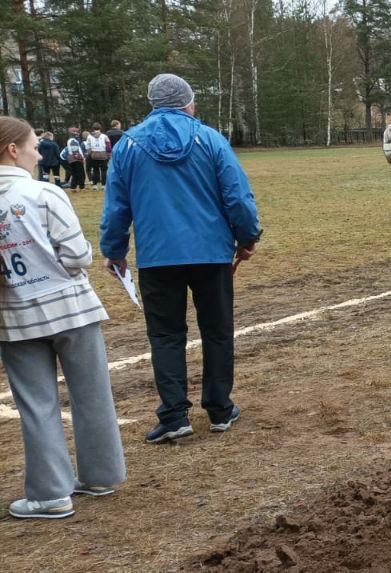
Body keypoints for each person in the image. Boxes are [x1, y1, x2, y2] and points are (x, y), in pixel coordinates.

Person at [99, 73, 262, 445]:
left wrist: (114, 250)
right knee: (217, 331)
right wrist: (248, 237)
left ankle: (174, 415)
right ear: (188, 102)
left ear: (153, 104)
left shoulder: (127, 145)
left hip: (158, 257)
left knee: (166, 336)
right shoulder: (211, 140)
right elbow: (237, 196)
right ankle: (219, 408)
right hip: (210, 253)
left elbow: (116, 207)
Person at [0, 116, 126, 519]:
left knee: (36, 405)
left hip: (14, 318)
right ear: (12, 150)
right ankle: (100, 475)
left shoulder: (41, 189)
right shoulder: (45, 194)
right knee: (92, 393)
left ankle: (51, 493)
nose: (40, 153)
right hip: (71, 308)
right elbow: (76, 256)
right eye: (34, 145)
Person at [84, 123, 110, 192]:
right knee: (104, 170)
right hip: (103, 155)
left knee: (95, 170)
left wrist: (90, 154)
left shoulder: (89, 137)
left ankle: (95, 186)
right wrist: (108, 154)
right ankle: (104, 185)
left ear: (93, 129)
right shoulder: (104, 136)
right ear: (100, 128)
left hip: (94, 155)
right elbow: (108, 146)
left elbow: (88, 147)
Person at [61, 127, 85, 191]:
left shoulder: (71, 140)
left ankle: (73, 187)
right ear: (73, 132)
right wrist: (80, 158)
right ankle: (82, 187)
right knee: (80, 173)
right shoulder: (73, 140)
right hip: (76, 159)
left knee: (75, 173)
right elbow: (75, 151)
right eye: (76, 132)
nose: (78, 133)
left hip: (71, 159)